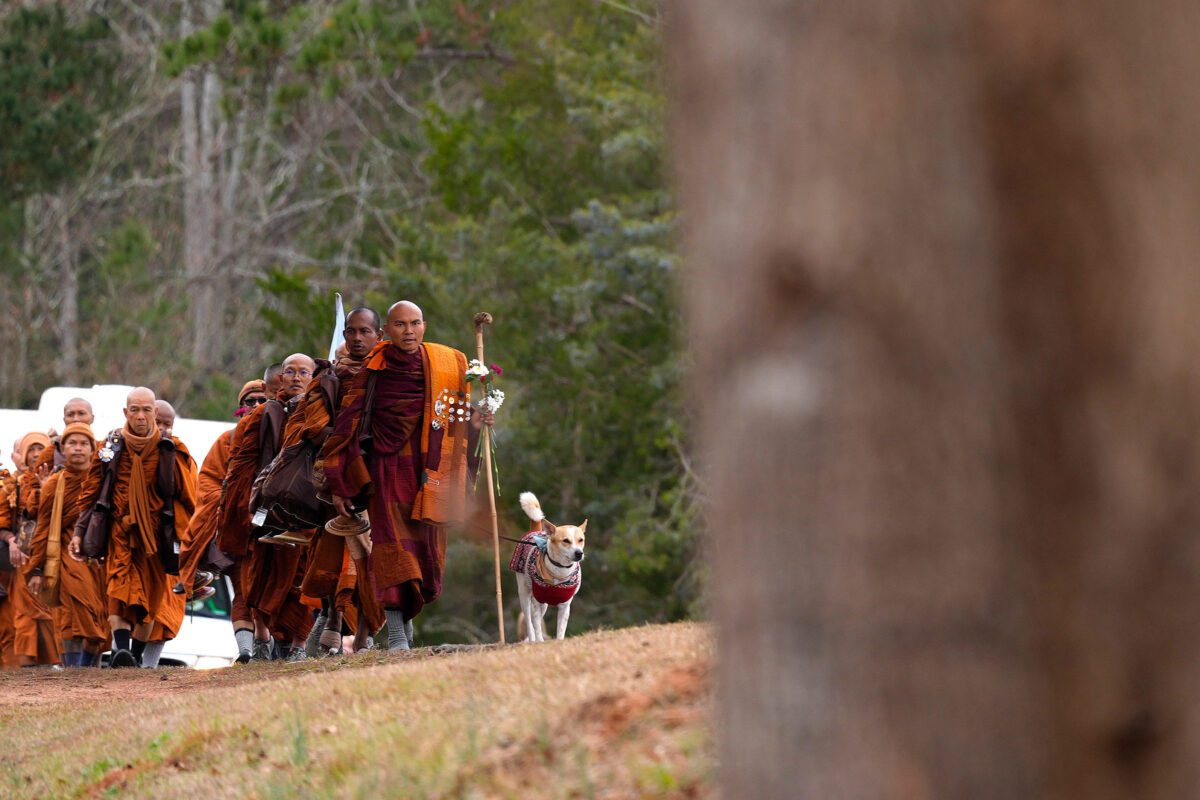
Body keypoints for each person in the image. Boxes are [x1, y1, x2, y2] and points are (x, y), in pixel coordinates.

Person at [322, 301, 492, 651]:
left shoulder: (445, 365)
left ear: (424, 327)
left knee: (425, 550)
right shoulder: (373, 368)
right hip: (387, 470)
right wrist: (340, 483)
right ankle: (397, 632)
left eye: (415, 323)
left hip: (431, 472)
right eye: (400, 325)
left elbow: (457, 418)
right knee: (391, 548)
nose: (409, 331)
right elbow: (347, 426)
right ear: (387, 330)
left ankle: (407, 623)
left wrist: (478, 422)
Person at [70, 387, 198, 668]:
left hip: (156, 536)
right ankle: (123, 650)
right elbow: (90, 492)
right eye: (135, 410)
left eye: (147, 410)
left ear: (155, 412)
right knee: (117, 589)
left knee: (151, 598)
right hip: (120, 531)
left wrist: (191, 538)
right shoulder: (111, 446)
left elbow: (189, 497)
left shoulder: (171, 448)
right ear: (125, 413)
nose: (141, 416)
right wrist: (79, 531)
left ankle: (135, 656)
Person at [239, 353, 318, 660]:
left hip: (308, 506)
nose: (296, 377)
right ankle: (261, 636)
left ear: (313, 378)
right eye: (290, 372)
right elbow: (245, 459)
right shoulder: (267, 412)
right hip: (268, 504)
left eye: (303, 372)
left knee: (302, 575)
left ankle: (298, 643)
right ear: (280, 379)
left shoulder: (321, 411)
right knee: (260, 572)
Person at [174, 380, 265, 601]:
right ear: (241, 406)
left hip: (266, 522)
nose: (256, 405)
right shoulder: (228, 439)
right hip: (233, 521)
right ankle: (199, 570)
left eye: (262, 400)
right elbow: (207, 479)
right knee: (242, 597)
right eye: (250, 401)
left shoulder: (281, 434)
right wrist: (227, 500)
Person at [25, 424, 108, 667]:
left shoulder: (102, 479)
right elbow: (43, 528)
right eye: (73, 443)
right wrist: (36, 569)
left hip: (99, 555)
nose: (78, 448)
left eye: (84, 444)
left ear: (93, 449)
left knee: (97, 616)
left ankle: (81, 668)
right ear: (63, 448)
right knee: (81, 614)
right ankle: (77, 669)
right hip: (66, 554)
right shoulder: (53, 484)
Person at [1, 432, 60, 666]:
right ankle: (24, 670)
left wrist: (47, 489)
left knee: (50, 617)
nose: (36, 454)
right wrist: (12, 540)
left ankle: (52, 667)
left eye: (40, 448)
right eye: (31, 450)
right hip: (23, 565)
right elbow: (3, 525)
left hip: (53, 558)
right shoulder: (12, 485)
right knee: (24, 620)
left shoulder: (62, 478)